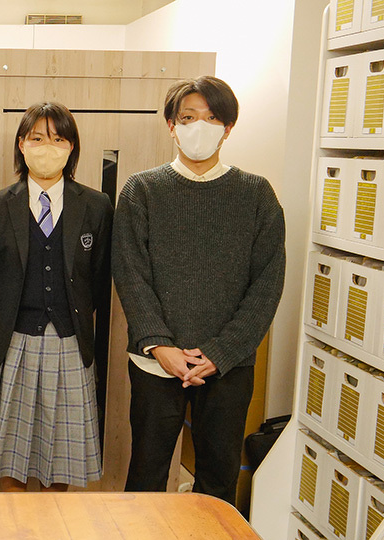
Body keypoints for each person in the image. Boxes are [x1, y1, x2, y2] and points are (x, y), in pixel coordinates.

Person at [112, 75, 285, 503]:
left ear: (228, 127)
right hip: (157, 363)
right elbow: (130, 273)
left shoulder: (256, 194)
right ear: (172, 125)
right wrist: (160, 345)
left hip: (227, 366)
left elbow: (267, 284)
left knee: (218, 480)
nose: (199, 127)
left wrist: (221, 352)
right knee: (147, 475)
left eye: (211, 118)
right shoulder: (141, 190)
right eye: (188, 117)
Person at [0, 102, 112, 492]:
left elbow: (99, 280)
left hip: (70, 342)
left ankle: (52, 520)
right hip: (16, 341)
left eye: (57, 139)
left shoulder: (97, 206)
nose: (47, 147)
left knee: (62, 461)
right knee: (12, 459)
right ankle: (15, 523)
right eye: (37, 138)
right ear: (21, 145)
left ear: (72, 147)